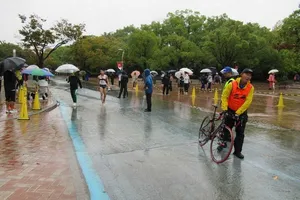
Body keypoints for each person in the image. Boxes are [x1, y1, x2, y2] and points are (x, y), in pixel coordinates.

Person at [220, 68, 254, 159]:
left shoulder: (250, 87)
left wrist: (238, 113)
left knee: (240, 133)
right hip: (230, 110)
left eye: (250, 75)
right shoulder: (232, 84)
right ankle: (222, 144)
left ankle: (237, 151)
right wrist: (225, 109)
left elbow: (248, 101)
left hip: (241, 112)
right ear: (241, 74)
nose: (248, 76)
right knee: (226, 129)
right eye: (246, 74)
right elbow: (224, 96)